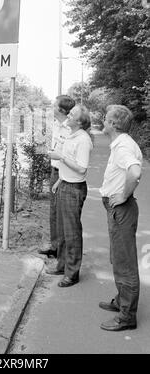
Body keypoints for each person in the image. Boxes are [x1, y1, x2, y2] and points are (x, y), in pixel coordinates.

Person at [99, 105, 142, 331]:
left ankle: (127, 317)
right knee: (119, 258)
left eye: (106, 118)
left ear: (114, 124)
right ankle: (121, 301)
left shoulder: (123, 146)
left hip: (122, 210)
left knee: (125, 263)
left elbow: (135, 172)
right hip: (119, 210)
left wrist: (124, 195)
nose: (103, 121)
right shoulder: (122, 144)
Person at [46, 104, 93, 287]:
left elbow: (81, 168)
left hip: (74, 189)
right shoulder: (72, 135)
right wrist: (60, 180)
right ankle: (62, 265)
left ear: (79, 122)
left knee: (72, 232)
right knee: (63, 231)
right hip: (65, 184)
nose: (68, 116)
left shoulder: (83, 140)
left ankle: (72, 274)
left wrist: (61, 157)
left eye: (72, 114)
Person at [38, 95, 75, 258]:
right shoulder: (55, 125)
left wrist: (61, 178)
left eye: (54, 105)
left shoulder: (70, 129)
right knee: (53, 212)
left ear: (60, 110)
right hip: (54, 171)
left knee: (62, 214)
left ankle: (62, 251)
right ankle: (55, 246)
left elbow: (70, 156)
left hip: (64, 175)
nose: (51, 108)